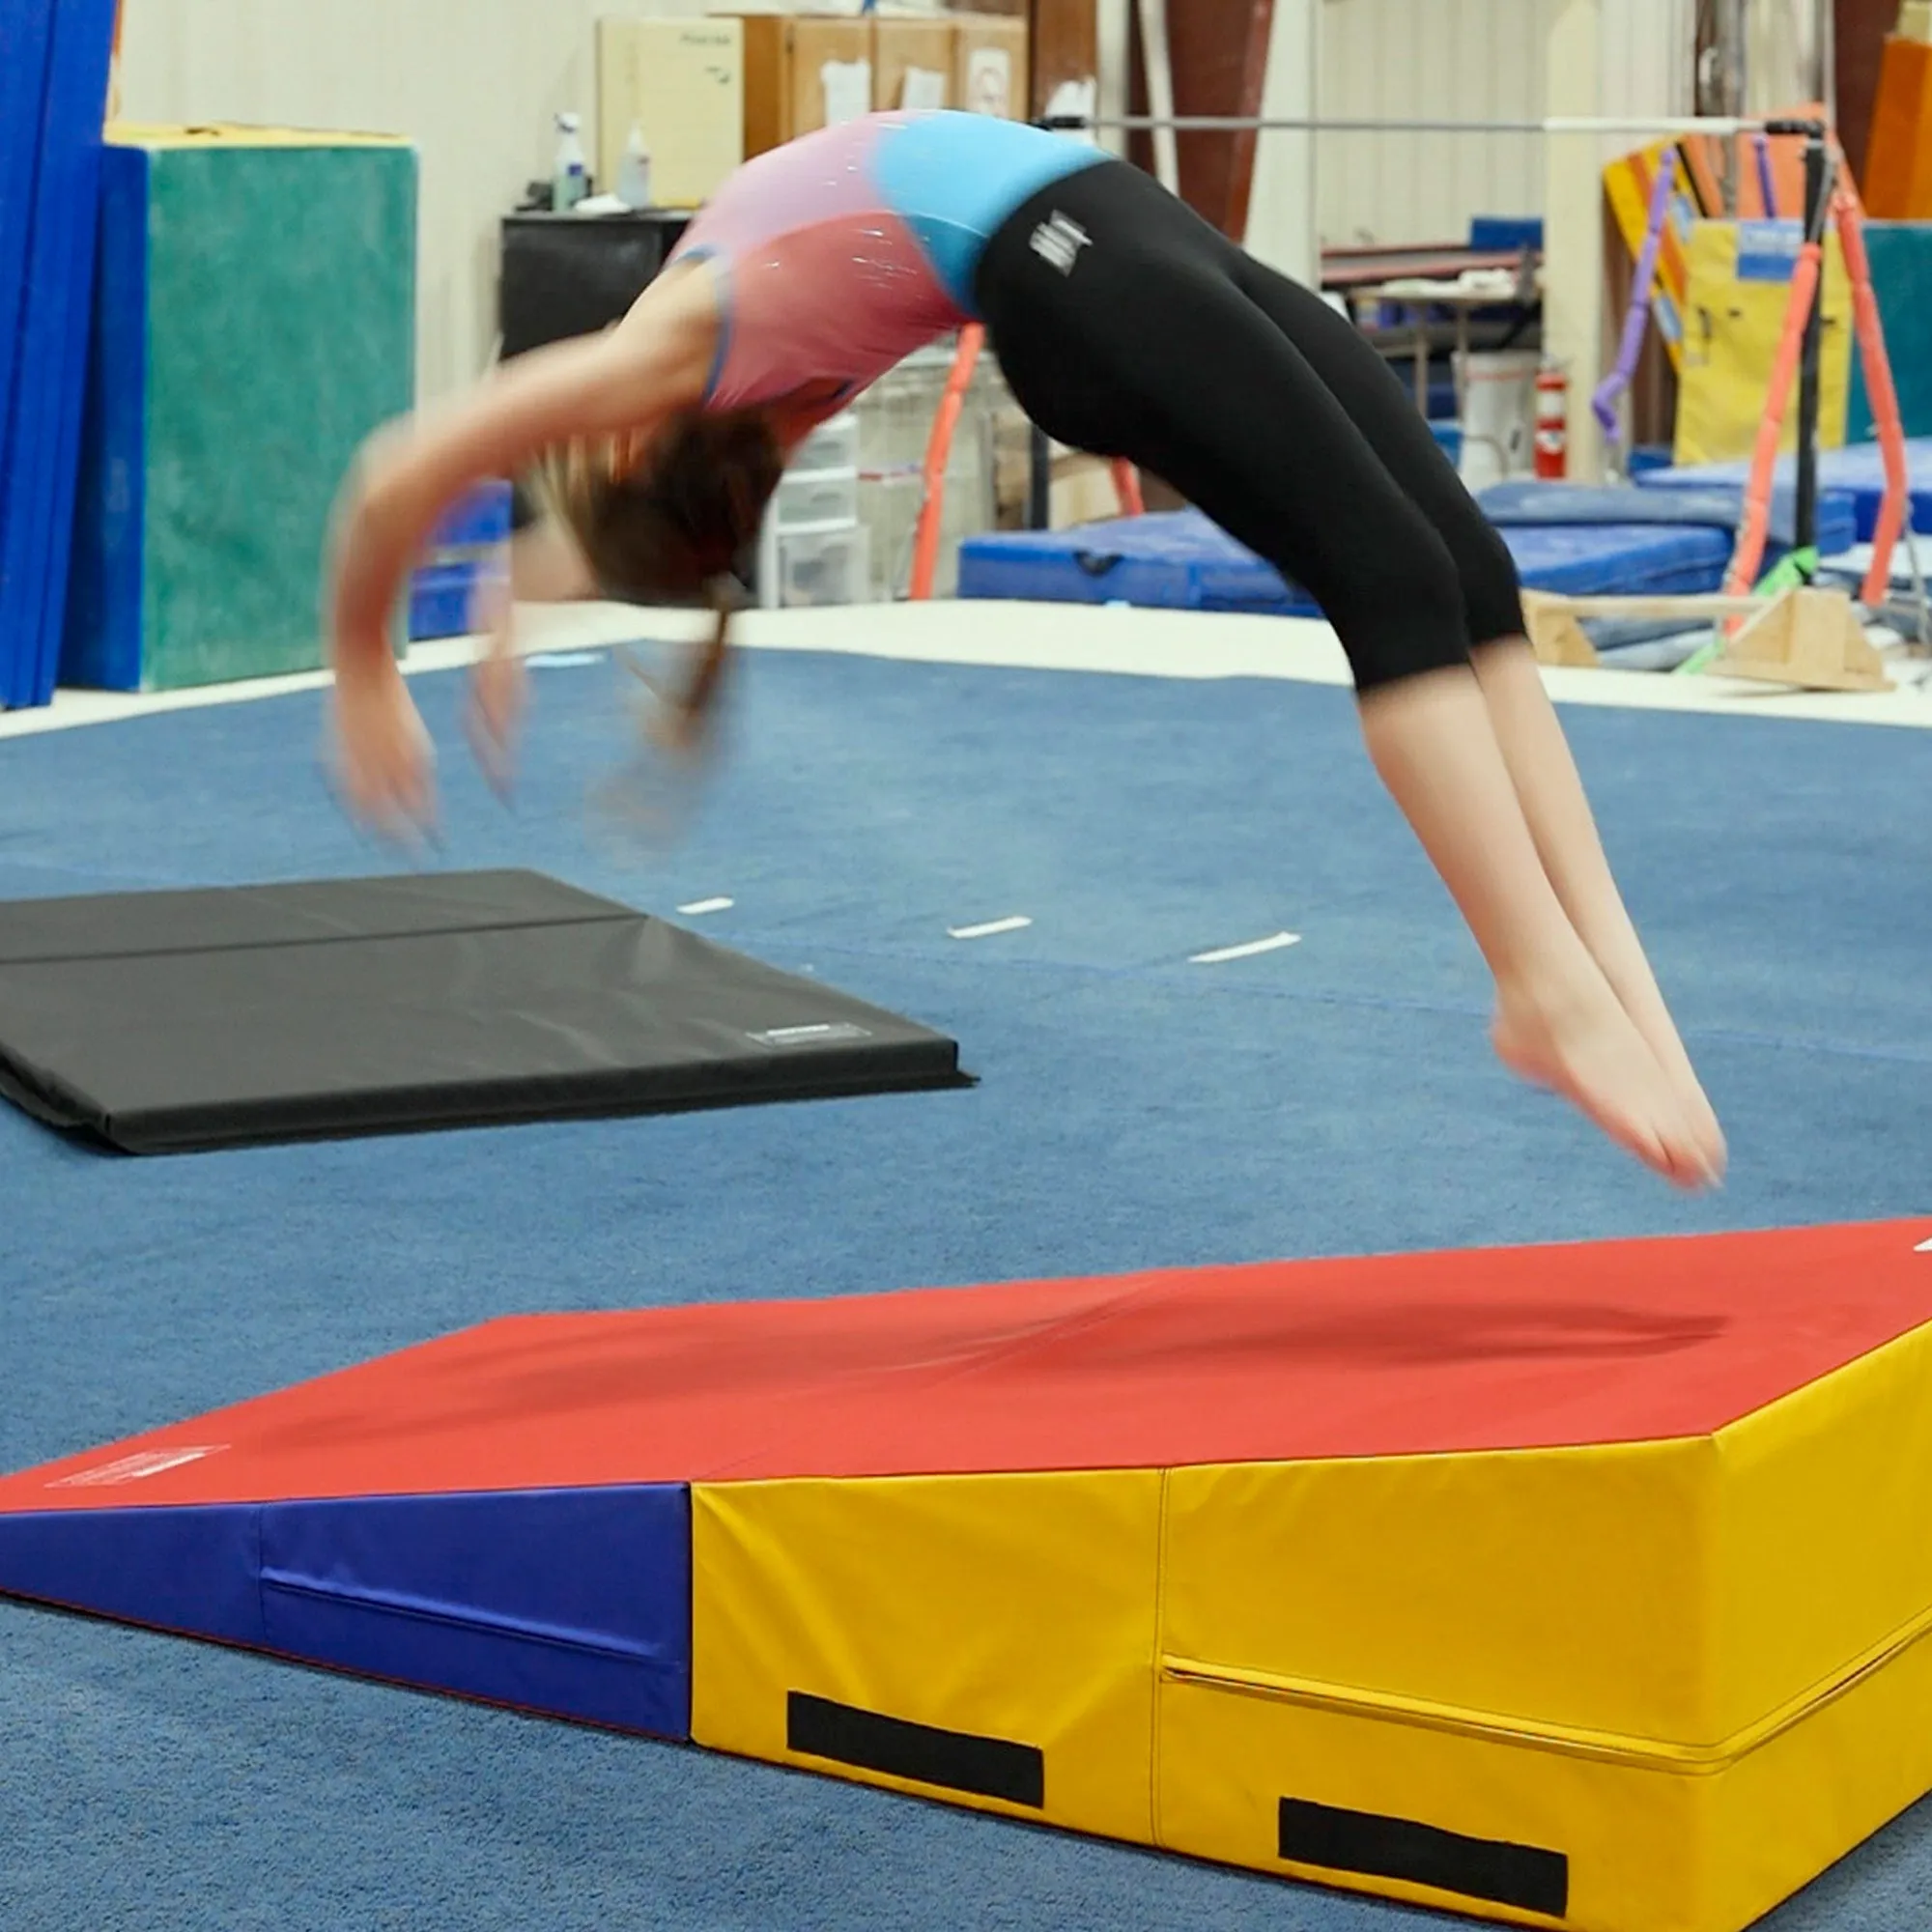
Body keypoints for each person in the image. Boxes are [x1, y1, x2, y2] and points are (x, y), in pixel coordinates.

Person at [326, 109, 1725, 1190]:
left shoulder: (694, 358)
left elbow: (496, 494)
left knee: (1467, 567)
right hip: (1075, 274)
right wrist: (384, 662)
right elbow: (410, 476)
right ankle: (1538, 986)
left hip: (1114, 229)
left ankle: (1614, 979)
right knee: (1393, 583)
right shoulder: (685, 366)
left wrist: (457, 627)